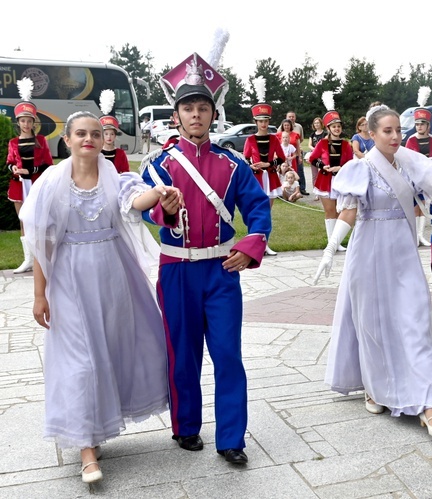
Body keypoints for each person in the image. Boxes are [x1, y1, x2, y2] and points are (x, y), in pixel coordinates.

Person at [314, 105, 432, 438]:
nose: (395, 137)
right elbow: (348, 213)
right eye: (386, 131)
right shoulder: (360, 168)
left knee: (416, 322)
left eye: (397, 131)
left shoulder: (411, 161)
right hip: (369, 251)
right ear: (371, 134)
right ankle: (375, 389)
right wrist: (330, 250)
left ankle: (429, 406)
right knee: (373, 324)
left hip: (403, 252)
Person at [21, 111, 174, 483]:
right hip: (69, 279)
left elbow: (137, 199)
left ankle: (92, 427)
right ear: (68, 140)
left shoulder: (116, 178)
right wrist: (40, 295)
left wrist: (159, 193)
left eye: (95, 133)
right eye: (80, 134)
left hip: (113, 275)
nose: (89, 139)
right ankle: (86, 452)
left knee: (110, 352)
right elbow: (41, 244)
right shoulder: (51, 184)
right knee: (81, 362)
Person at [141, 53, 272, 464]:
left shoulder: (232, 164)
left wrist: (250, 246)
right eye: (188, 108)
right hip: (176, 268)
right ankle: (185, 426)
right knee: (182, 351)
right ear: (176, 115)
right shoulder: (160, 164)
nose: (195, 115)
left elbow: (258, 210)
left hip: (220, 270)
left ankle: (232, 437)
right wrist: (164, 207)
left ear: (213, 114)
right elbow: (142, 208)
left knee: (228, 353)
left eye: (202, 108)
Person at [6, 78, 53, 274]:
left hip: (36, 184)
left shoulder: (41, 140)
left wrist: (30, 171)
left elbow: (48, 165)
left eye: (29, 120)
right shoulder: (13, 142)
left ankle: (41, 257)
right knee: (23, 220)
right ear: (18, 122)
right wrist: (15, 170)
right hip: (18, 185)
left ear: (34, 122)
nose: (26, 124)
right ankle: (28, 260)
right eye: (22, 120)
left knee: (39, 220)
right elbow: (9, 162)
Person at [244, 77, 285, 256]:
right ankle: (254, 245)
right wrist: (253, 166)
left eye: (266, 121)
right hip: (257, 179)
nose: (264, 124)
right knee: (256, 211)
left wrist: (268, 163)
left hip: (271, 178)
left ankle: (265, 244)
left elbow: (281, 158)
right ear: (256, 122)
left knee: (267, 213)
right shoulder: (250, 139)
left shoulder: (274, 138)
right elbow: (244, 160)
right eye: (261, 121)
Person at [310, 91, 353, 252]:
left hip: (341, 181)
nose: (337, 129)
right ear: (328, 128)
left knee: (339, 210)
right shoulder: (321, 143)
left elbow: (350, 163)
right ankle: (331, 243)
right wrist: (324, 167)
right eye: (334, 126)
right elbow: (312, 158)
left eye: (339, 126)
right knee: (330, 211)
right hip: (325, 181)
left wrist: (340, 168)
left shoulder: (346, 144)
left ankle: (337, 242)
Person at [405, 87, 432, 246]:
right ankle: (414, 235)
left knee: (424, 205)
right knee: (415, 205)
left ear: (428, 125)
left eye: (422, 124)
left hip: (427, 176)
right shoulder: (411, 140)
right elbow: (407, 160)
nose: (419, 127)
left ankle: (421, 235)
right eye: (417, 124)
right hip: (414, 177)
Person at [98, 90, 130, 174]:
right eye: (106, 134)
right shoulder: (96, 152)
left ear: (115, 136)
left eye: (112, 134)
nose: (109, 137)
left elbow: (126, 172)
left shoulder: (121, 153)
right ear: (102, 135)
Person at [286, 111, 307, 194]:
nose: (291, 118)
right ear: (286, 117)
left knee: (300, 170)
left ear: (295, 117)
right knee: (286, 170)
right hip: (286, 153)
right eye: (289, 116)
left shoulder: (299, 126)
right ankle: (287, 189)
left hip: (297, 151)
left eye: (293, 116)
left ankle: (302, 188)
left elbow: (301, 139)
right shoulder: (282, 126)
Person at [308, 116, 327, 191]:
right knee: (314, 174)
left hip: (322, 155)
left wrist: (319, 151)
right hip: (314, 156)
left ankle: (323, 188)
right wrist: (315, 150)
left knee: (323, 172)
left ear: (321, 124)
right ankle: (316, 191)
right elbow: (309, 145)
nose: (316, 124)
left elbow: (325, 144)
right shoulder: (312, 135)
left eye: (318, 123)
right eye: (315, 123)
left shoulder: (325, 134)